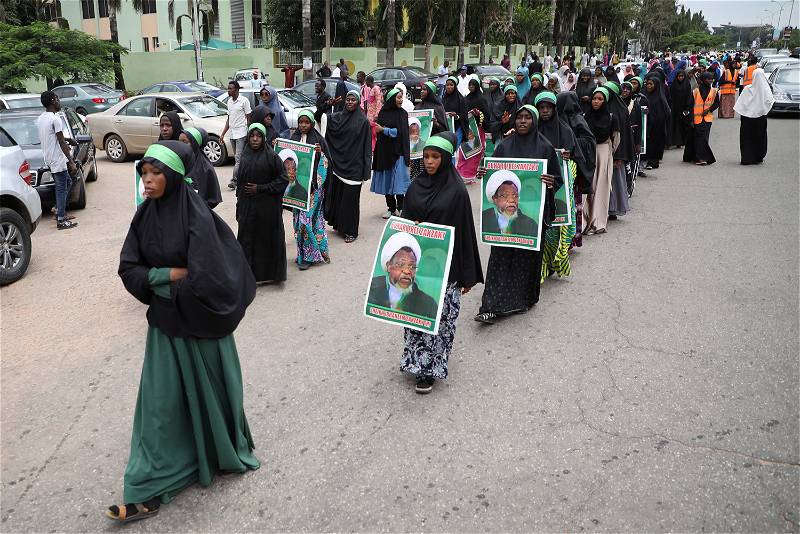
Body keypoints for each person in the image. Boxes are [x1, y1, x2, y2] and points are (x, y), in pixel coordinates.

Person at [111, 141, 258, 523]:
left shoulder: (198, 217)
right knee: (159, 408)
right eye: (144, 173)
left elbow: (208, 278)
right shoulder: (143, 217)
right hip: (164, 328)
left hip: (199, 326)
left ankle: (216, 453)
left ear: (174, 177)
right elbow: (129, 269)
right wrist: (168, 275)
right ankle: (145, 486)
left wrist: (164, 283)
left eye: (156, 173)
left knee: (209, 398)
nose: (148, 180)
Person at [401, 132, 483, 393]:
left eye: (435, 157)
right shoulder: (415, 186)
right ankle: (415, 363)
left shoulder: (457, 192)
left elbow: (465, 235)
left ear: (446, 159)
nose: (429, 162)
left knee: (440, 318)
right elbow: (403, 224)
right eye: (426, 156)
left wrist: (466, 277)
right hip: (417, 266)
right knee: (416, 315)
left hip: (446, 269)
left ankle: (432, 369)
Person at [473, 105, 561, 325]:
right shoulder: (504, 146)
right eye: (519, 117)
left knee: (525, 259)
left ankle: (521, 300)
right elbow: (492, 169)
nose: (522, 121)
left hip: (529, 219)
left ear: (534, 121)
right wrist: (484, 171)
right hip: (502, 224)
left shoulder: (545, 148)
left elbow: (558, 180)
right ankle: (490, 306)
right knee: (500, 259)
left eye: (527, 118)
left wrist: (551, 182)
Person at [236, 123, 289, 283]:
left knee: (265, 240)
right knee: (247, 239)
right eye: (252, 136)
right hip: (247, 206)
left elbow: (283, 179)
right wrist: (239, 206)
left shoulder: (271, 156)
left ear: (264, 137)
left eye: (258, 136)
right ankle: (248, 275)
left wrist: (261, 188)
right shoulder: (245, 154)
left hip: (267, 209)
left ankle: (268, 275)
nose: (254, 139)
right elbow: (240, 183)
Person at [535, 91, 579, 279]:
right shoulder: (531, 128)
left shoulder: (566, 131)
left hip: (557, 186)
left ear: (554, 109)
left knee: (555, 228)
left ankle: (554, 262)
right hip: (536, 187)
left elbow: (575, 158)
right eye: (541, 108)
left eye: (548, 108)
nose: (545, 111)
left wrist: (568, 158)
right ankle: (540, 266)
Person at [324, 91, 372, 243]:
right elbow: (323, 120)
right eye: (348, 100)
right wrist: (327, 107)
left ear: (358, 102)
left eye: (353, 100)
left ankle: (351, 231)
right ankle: (339, 225)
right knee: (339, 198)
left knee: (350, 202)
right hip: (339, 166)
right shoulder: (338, 118)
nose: (350, 102)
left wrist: (366, 171)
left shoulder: (363, 121)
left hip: (354, 168)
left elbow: (366, 147)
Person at [288, 109, 331, 269]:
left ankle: (308, 256)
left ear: (312, 124)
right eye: (301, 122)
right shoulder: (293, 139)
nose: (303, 125)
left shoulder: (319, 141)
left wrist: (320, 154)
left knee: (306, 221)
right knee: (298, 222)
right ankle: (305, 253)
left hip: (313, 189)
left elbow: (328, 163)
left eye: (307, 122)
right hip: (298, 189)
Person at [556, 91, 596, 248]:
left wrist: (570, 141)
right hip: (560, 166)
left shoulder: (578, 119)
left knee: (572, 204)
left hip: (573, 167)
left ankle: (571, 240)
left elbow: (588, 141)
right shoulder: (556, 120)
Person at [367, 232, 438, 318]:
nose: (407, 271)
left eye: (412, 266)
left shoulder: (428, 303)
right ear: (389, 266)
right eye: (401, 265)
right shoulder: (372, 288)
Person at [37, 91, 78, 229]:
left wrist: (68, 139)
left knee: (68, 182)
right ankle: (61, 219)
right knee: (61, 187)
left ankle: (58, 210)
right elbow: (61, 142)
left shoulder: (42, 118)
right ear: (53, 101)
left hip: (48, 157)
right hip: (57, 159)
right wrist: (71, 161)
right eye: (58, 99)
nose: (59, 102)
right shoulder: (55, 119)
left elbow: (53, 137)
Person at [583, 87, 620, 235]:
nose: (596, 102)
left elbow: (616, 140)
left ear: (605, 101)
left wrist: (608, 154)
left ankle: (597, 223)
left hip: (603, 153)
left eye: (600, 99)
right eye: (594, 99)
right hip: (588, 153)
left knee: (601, 188)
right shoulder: (586, 116)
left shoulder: (612, 117)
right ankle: (585, 221)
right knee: (588, 188)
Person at [371, 88, 411, 218]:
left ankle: (402, 208)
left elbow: (399, 133)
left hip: (398, 152)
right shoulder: (383, 113)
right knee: (387, 181)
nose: (401, 100)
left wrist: (384, 130)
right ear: (391, 99)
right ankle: (391, 208)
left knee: (398, 182)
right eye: (398, 97)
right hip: (385, 151)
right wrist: (381, 130)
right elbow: (377, 130)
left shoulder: (403, 114)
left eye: (401, 97)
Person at [602, 81, 632, 219]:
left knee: (615, 182)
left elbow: (623, 135)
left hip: (616, 153)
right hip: (603, 151)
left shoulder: (621, 110)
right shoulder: (602, 107)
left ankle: (613, 209)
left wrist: (619, 156)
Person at [734, 68, 773, 166]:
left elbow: (740, 104)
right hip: (761, 117)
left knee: (746, 137)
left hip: (747, 118)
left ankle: (747, 158)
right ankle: (758, 156)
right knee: (760, 137)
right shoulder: (766, 89)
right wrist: (762, 110)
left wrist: (748, 111)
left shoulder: (747, 89)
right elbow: (770, 102)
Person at [480, 170, 538, 236]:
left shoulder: (530, 224)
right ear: (495, 199)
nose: (511, 200)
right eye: (504, 196)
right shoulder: (485, 218)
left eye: (515, 195)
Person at [177, 127, 223, 209]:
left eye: (185, 142)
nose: (181, 145)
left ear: (195, 143)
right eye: (179, 142)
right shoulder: (177, 161)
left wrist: (198, 207)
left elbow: (213, 199)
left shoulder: (205, 168)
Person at [683, 71, 718, 166]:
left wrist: (709, 110)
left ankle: (699, 157)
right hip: (696, 119)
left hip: (708, 119)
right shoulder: (695, 91)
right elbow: (689, 106)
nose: (710, 81)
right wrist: (690, 120)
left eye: (711, 79)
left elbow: (716, 103)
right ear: (702, 80)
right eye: (708, 79)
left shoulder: (714, 91)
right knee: (699, 138)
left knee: (703, 138)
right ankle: (701, 158)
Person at [221, 81, 252, 190]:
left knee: (238, 159)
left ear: (237, 89)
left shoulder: (244, 101)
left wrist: (249, 133)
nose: (229, 90)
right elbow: (229, 120)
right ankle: (243, 178)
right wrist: (223, 134)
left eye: (231, 88)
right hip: (232, 134)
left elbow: (249, 117)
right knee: (238, 159)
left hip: (241, 133)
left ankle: (234, 181)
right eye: (228, 88)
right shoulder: (229, 102)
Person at [457, 78, 488, 184]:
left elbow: (486, 114)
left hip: (478, 129)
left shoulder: (482, 99)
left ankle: (470, 175)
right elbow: (462, 112)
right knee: (464, 150)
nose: (471, 87)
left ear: (477, 86)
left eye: (473, 85)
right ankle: (461, 173)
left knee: (475, 152)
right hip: (467, 128)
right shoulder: (466, 99)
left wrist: (478, 114)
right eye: (469, 85)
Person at [642, 74, 669, 170]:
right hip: (645, 124)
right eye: (647, 84)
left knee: (654, 143)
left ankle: (652, 161)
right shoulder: (643, 95)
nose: (648, 86)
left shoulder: (660, 98)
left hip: (656, 127)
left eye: (651, 84)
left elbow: (664, 113)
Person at [667, 69, 691, 149]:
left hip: (683, 108)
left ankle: (681, 142)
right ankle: (673, 141)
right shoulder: (673, 85)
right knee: (674, 125)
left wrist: (687, 107)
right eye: (679, 76)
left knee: (682, 125)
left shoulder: (687, 84)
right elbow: (670, 96)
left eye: (682, 76)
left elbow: (688, 96)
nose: (680, 78)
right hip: (674, 108)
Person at [442, 76, 468, 145]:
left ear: (455, 86)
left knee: (455, 148)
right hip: (446, 129)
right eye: (447, 85)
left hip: (458, 128)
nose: (449, 87)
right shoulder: (443, 99)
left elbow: (464, 116)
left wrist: (456, 116)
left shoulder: (461, 99)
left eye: (451, 85)